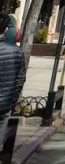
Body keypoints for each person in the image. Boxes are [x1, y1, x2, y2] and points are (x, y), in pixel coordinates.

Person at [0, 15, 26, 146]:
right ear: (5, 30)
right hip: (4, 103)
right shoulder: (17, 52)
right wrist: (12, 99)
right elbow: (20, 80)